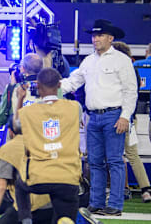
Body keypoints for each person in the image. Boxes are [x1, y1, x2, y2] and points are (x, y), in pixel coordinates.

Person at [60, 20, 137, 216]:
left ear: (111, 38)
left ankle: (115, 205)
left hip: (113, 115)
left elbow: (131, 90)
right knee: (94, 162)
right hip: (93, 116)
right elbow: (73, 82)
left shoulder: (122, 60)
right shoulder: (88, 61)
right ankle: (96, 202)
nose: (95, 39)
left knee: (114, 161)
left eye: (100, 35)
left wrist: (125, 116)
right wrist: (51, 84)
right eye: (94, 36)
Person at [14, 68, 82, 222]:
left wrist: (20, 99)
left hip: (39, 175)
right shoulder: (75, 107)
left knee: (20, 185)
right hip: (68, 175)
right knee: (64, 216)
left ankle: (26, 219)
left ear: (37, 86)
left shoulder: (28, 112)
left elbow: (16, 127)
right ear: (59, 85)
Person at [111, 42, 151, 202]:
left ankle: (122, 189)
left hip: (119, 116)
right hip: (130, 116)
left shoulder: (121, 70)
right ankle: (145, 189)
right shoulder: (132, 69)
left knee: (116, 155)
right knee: (131, 154)